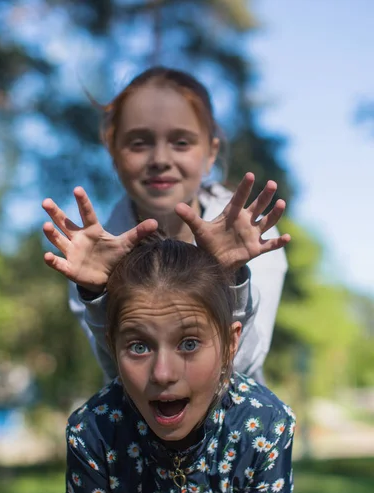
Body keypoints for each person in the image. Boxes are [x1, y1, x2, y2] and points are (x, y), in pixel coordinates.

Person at [59, 232, 295, 493]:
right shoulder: (95, 434)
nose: (163, 373)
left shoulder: (264, 426)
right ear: (113, 346)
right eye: (139, 346)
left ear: (231, 343)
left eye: (188, 343)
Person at [42, 67, 290, 385]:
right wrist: (96, 293)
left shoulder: (251, 237)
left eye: (181, 142)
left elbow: (240, 366)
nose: (160, 158)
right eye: (139, 143)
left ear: (211, 154)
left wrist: (230, 275)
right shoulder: (91, 255)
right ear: (113, 152)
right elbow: (120, 373)